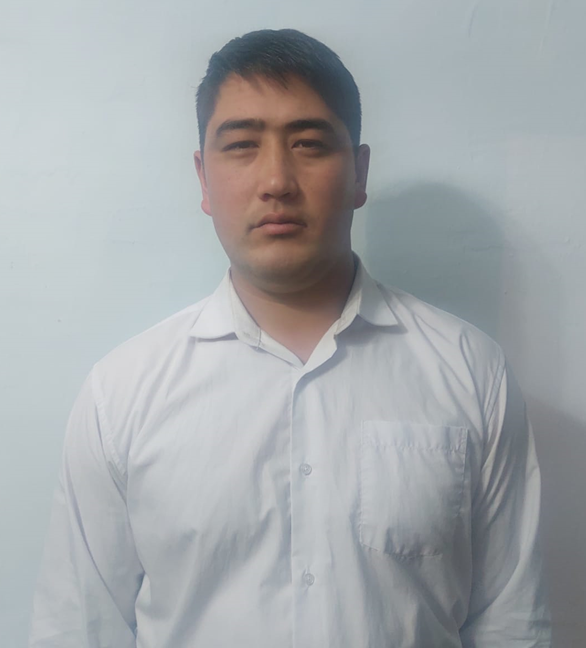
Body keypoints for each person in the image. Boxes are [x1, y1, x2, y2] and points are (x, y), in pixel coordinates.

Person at [29, 28, 551, 647]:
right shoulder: (121, 394)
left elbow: (511, 623)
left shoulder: (471, 373)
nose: (276, 180)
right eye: (241, 145)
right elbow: (79, 627)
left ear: (359, 173)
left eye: (308, 144)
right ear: (203, 178)